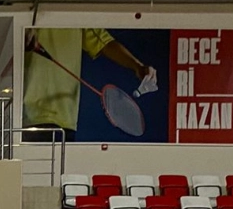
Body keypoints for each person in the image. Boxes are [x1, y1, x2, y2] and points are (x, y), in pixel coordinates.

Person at [21, 28, 157, 133]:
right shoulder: (27, 7)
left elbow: (105, 43)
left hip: (65, 120)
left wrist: (137, 66)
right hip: (27, 117)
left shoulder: (76, 10)